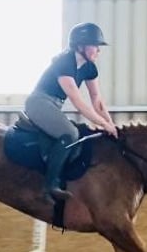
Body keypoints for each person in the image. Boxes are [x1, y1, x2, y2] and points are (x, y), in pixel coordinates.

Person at [24, 22, 118, 201]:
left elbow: (97, 100)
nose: (99, 50)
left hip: (54, 105)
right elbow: (78, 102)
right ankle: (49, 186)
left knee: (77, 133)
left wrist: (110, 122)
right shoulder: (64, 62)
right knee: (70, 133)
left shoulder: (90, 68)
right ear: (81, 46)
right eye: (95, 46)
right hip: (39, 102)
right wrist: (103, 124)